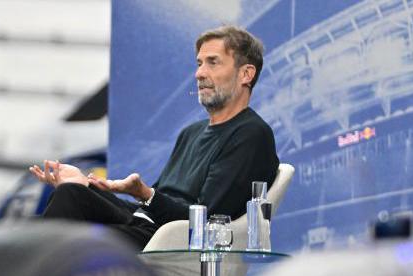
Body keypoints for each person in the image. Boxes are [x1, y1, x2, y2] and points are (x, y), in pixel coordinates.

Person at [32, 25, 279, 249]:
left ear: (246, 74)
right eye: (199, 63)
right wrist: (85, 186)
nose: (199, 73)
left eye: (213, 62)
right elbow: (150, 208)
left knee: (64, 239)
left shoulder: (251, 135)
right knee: (70, 194)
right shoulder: (190, 133)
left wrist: (145, 193)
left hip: (170, 242)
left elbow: (208, 221)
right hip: (144, 225)